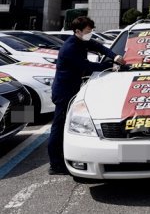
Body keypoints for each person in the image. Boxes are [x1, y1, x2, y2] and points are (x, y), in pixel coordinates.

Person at [48, 16, 126, 175]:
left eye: (91, 30)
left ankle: (61, 157)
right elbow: (88, 66)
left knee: (64, 125)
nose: (91, 33)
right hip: (64, 92)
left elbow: (98, 46)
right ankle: (55, 165)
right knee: (59, 127)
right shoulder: (70, 48)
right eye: (88, 31)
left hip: (72, 88)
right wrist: (110, 66)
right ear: (78, 31)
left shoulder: (82, 40)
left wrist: (115, 56)